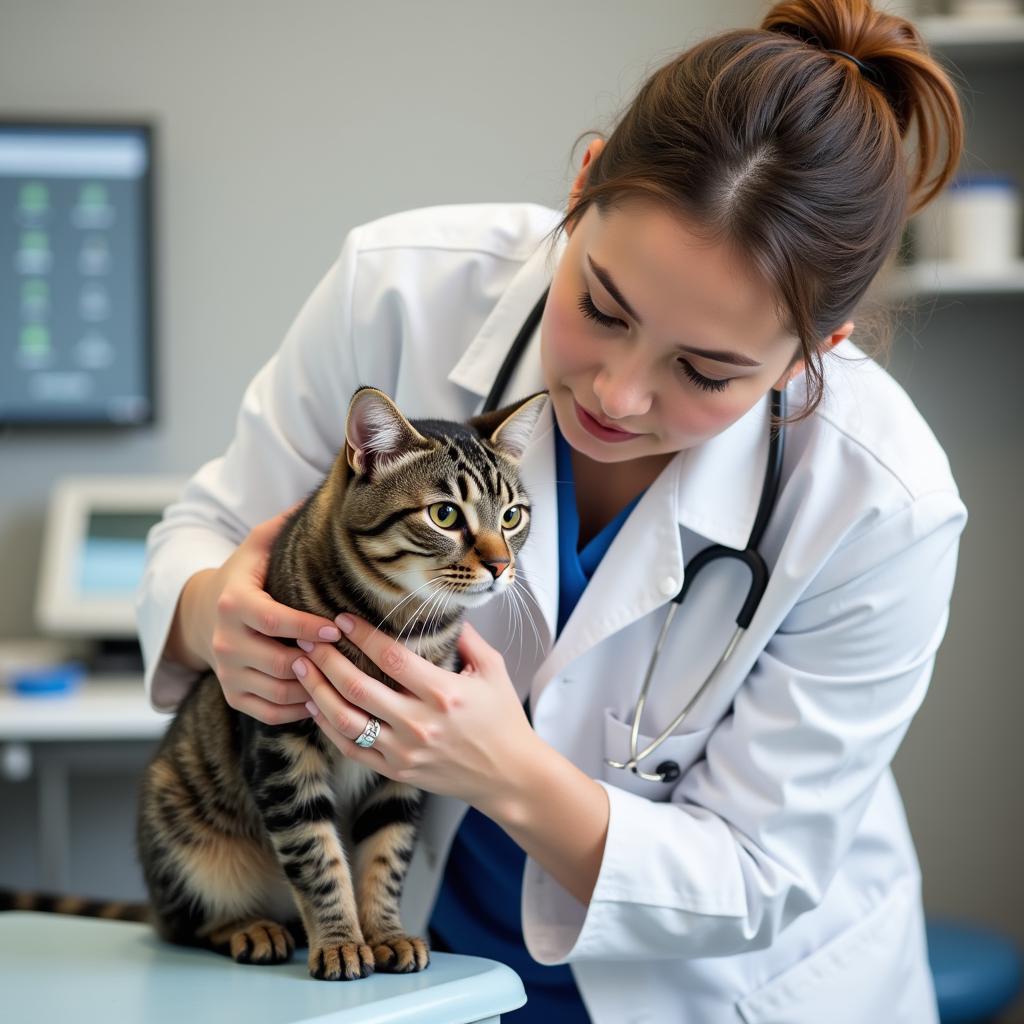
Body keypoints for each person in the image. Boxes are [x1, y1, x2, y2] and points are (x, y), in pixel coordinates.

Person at [137, 1, 969, 1020]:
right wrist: (210, 606)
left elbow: (755, 875)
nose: (618, 395)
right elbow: (207, 530)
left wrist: (501, 769)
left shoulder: (883, 502)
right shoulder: (396, 289)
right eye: (602, 308)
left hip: (721, 990)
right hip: (430, 971)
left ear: (817, 350)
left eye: (705, 370)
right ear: (580, 190)